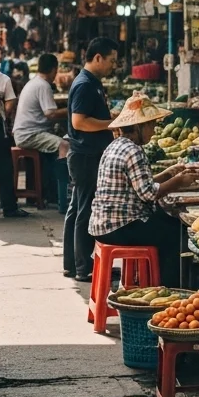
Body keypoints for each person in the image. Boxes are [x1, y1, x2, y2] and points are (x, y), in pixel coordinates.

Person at [90, 93, 199, 288]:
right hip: (120, 227)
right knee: (176, 234)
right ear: (137, 127)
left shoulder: (115, 145)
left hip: (104, 224)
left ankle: (154, 281)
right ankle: (170, 291)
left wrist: (168, 174)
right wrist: (179, 181)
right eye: (151, 125)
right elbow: (149, 194)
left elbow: (139, 185)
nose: (154, 130)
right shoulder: (134, 150)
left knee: (167, 222)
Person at [64, 36, 121, 281]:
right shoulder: (86, 84)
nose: (114, 66)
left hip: (83, 153)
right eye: (111, 60)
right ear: (97, 57)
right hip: (86, 155)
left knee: (77, 207)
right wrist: (112, 123)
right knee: (85, 210)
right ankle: (83, 267)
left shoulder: (90, 81)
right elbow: (79, 122)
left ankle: (72, 263)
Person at [13, 53, 70, 212]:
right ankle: (62, 196)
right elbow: (50, 114)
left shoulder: (34, 83)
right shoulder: (43, 85)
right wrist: (71, 110)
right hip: (29, 134)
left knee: (56, 143)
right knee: (64, 145)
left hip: (24, 132)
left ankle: (50, 192)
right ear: (54, 70)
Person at [0, 41, 25, 218]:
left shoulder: (4, 80)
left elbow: (10, 102)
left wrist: (2, 110)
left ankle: (9, 207)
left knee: (4, 167)